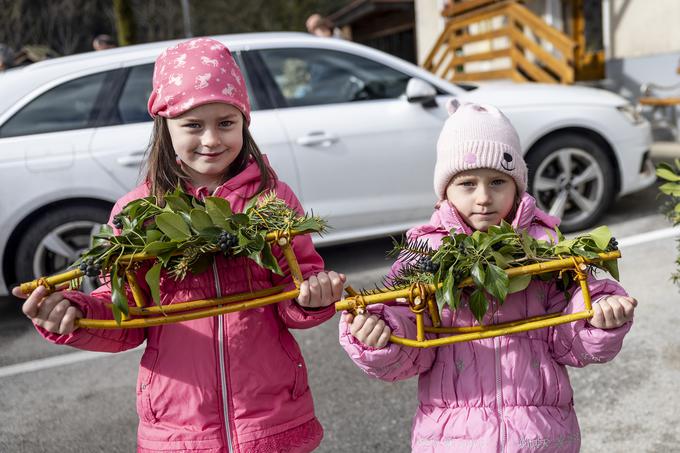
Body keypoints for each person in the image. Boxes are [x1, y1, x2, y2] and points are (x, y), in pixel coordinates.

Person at [13, 37, 346, 453]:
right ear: (164, 127)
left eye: (226, 122)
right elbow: (124, 313)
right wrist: (75, 314)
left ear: (244, 122)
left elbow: (299, 285)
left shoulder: (271, 201)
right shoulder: (138, 214)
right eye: (192, 125)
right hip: (179, 427)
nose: (211, 140)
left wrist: (313, 298)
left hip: (271, 416)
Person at [339, 100, 637, 452]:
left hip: (539, 436)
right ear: (445, 189)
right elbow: (408, 339)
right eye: (467, 183)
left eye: (498, 181)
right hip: (453, 438)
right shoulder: (426, 255)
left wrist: (600, 314)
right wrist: (379, 334)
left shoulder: (543, 248)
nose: (483, 198)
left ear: (518, 185)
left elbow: (568, 339)